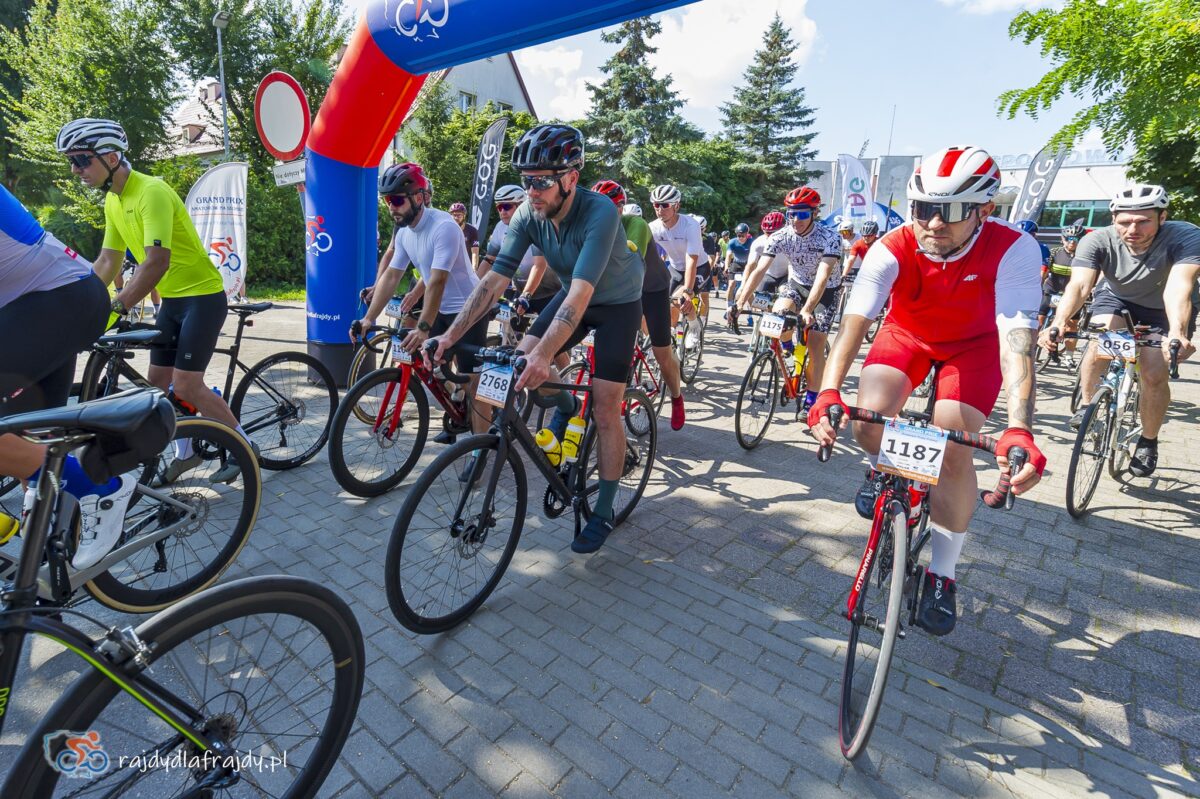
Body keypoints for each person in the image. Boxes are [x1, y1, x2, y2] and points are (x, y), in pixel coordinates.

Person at [809, 145, 1047, 637]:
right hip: (907, 335)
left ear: (984, 210)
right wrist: (828, 391)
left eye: (953, 210)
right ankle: (885, 469)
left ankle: (942, 572)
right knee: (866, 420)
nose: (934, 223)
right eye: (923, 208)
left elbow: (1017, 341)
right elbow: (855, 323)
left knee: (954, 450)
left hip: (975, 346)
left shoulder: (1014, 248)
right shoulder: (891, 245)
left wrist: (1019, 427)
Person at [428, 124, 645, 555]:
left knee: (605, 408)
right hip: (572, 294)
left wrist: (546, 354)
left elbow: (582, 293)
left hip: (616, 303)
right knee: (520, 360)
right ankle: (565, 406)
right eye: (526, 181)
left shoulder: (600, 212)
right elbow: (493, 280)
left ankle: (603, 510)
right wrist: (450, 336)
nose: (532, 191)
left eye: (542, 181)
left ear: (570, 178)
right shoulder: (530, 214)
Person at [58, 117, 251, 485]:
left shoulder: (151, 192)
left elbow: (156, 261)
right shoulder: (114, 200)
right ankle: (186, 452)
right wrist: (82, 303)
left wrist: (116, 308)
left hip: (202, 297)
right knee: (155, 387)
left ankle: (245, 448)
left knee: (188, 385)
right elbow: (107, 261)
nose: (75, 169)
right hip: (174, 303)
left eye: (81, 160)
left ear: (111, 157)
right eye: (72, 161)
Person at [0, 182, 124, 570]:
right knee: (29, 447)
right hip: (47, 305)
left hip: (62, 301)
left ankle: (102, 489)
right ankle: (43, 580)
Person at [1042, 184, 1200, 475]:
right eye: (1125, 222)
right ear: (1113, 219)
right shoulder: (1097, 240)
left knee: (1153, 373)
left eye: (1143, 221)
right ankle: (1088, 407)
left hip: (1164, 305)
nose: (1133, 229)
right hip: (1117, 298)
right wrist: (1059, 321)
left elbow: (1180, 286)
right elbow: (1080, 285)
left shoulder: (1186, 236)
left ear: (1163, 217)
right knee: (1100, 342)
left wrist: (1178, 332)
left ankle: (1148, 441)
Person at [353, 163, 489, 441]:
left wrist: (423, 327)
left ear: (418, 197)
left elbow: (437, 281)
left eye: (397, 200)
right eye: (387, 201)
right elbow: (392, 276)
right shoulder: (405, 233)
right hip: (441, 309)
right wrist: (369, 318)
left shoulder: (444, 227)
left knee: (473, 381)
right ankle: (456, 410)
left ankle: (481, 448)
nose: (391, 208)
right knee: (429, 365)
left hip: (469, 309)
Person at [735, 186, 842, 410]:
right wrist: (740, 301)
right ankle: (788, 346)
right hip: (797, 284)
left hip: (826, 291)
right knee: (778, 314)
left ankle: (811, 399)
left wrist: (807, 310)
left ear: (814, 213)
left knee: (815, 343)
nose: (796, 220)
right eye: (791, 214)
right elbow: (760, 269)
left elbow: (823, 277)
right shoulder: (781, 236)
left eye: (802, 214)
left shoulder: (830, 237)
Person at [592, 179, 686, 430]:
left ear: (620, 208)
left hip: (651, 289)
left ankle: (676, 397)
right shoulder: (592, 226)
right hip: (623, 291)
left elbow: (628, 260)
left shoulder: (636, 224)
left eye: (608, 208)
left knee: (661, 352)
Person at [648, 185, 709, 350]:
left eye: (665, 205)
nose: (660, 210)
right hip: (675, 268)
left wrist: (688, 291)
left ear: (676, 206)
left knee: (680, 299)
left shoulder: (690, 225)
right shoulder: (653, 227)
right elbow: (642, 255)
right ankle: (670, 333)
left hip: (699, 266)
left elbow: (692, 260)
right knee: (666, 303)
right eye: (656, 205)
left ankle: (694, 326)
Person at [486, 184, 560, 315]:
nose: (502, 211)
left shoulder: (536, 224)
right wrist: (472, 287)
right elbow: (489, 261)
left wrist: (526, 295)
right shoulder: (500, 227)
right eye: (499, 207)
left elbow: (539, 265)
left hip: (549, 292)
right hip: (520, 291)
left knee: (544, 328)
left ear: (521, 205)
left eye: (507, 206)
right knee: (511, 326)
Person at [1038, 220, 1085, 365]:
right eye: (1069, 238)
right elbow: (1043, 272)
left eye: (1076, 239)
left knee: (1072, 325)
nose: (1072, 242)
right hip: (1051, 289)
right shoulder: (1055, 252)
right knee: (1039, 319)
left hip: (1072, 295)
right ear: (1062, 239)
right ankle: (1032, 345)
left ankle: (1069, 357)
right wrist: (1038, 285)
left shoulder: (1085, 256)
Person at [723, 223, 754, 325]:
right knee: (731, 285)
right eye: (738, 235)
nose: (740, 238)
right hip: (736, 264)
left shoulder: (752, 242)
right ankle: (728, 309)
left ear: (747, 234)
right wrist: (726, 267)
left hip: (748, 265)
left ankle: (750, 315)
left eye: (743, 235)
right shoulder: (732, 242)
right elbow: (728, 256)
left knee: (748, 289)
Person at [448, 201, 481, 272]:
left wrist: (474, 268)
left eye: (459, 215)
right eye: (454, 215)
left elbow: (475, 252)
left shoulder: (472, 230)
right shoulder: (447, 229)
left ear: (464, 216)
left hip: (466, 267)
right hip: (451, 267)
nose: (456, 218)